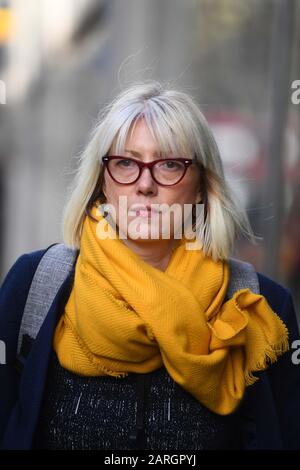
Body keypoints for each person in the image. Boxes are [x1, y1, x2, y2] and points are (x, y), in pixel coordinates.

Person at [0, 81, 299, 451]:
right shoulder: (33, 286)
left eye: (170, 164)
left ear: (202, 185)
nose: (145, 184)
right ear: (101, 182)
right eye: (125, 162)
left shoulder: (261, 305)